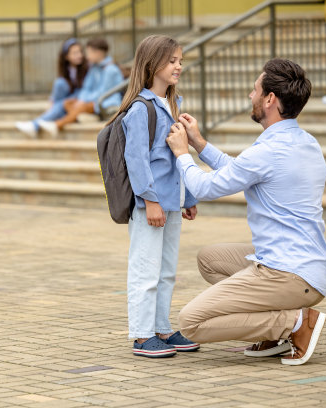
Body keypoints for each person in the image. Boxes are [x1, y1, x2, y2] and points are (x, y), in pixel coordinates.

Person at [166, 59, 326, 366]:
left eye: (255, 89)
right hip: (310, 266)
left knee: (191, 323)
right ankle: (277, 332)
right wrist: (200, 144)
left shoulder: (267, 151)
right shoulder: (306, 143)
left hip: (287, 273)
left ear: (270, 99)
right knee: (210, 259)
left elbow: (205, 188)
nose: (250, 95)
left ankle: (294, 324)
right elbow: (242, 172)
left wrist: (181, 154)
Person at [113, 35, 199, 358]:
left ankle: (161, 327)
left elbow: (180, 156)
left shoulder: (174, 105)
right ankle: (141, 334)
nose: (178, 66)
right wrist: (149, 199)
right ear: (152, 64)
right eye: (172, 61)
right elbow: (137, 161)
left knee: (166, 270)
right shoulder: (140, 109)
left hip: (172, 204)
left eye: (180, 60)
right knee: (145, 270)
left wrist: (188, 197)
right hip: (150, 206)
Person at [38, 38, 123, 138]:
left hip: (106, 101)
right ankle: (87, 116)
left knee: (81, 107)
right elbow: (86, 87)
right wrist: (81, 100)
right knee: (67, 103)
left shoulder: (111, 70)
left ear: (98, 53)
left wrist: (84, 102)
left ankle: (57, 125)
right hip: (93, 101)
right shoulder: (94, 68)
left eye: (89, 53)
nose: (86, 56)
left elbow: (103, 92)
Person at [15, 38, 89, 138]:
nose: (79, 55)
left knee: (61, 101)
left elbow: (85, 89)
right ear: (66, 56)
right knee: (60, 85)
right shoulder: (66, 70)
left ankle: (35, 124)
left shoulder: (88, 67)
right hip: (68, 99)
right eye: (75, 53)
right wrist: (53, 101)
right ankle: (42, 120)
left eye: (80, 52)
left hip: (81, 97)